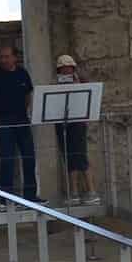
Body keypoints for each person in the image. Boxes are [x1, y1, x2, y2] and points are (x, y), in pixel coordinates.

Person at [0, 44, 38, 198]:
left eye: (7, 56)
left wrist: (23, 111)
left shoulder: (22, 73)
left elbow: (28, 95)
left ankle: (30, 196)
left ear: (14, 57)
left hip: (22, 119)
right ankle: (6, 197)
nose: (4, 60)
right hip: (3, 120)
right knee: (7, 159)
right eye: (1, 57)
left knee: (29, 157)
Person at [51, 54, 93, 204]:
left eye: (68, 68)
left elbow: (87, 97)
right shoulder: (56, 84)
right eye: (62, 68)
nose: (65, 71)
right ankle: (73, 193)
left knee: (81, 156)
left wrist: (77, 83)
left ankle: (91, 191)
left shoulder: (80, 80)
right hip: (62, 124)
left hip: (78, 123)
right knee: (68, 157)